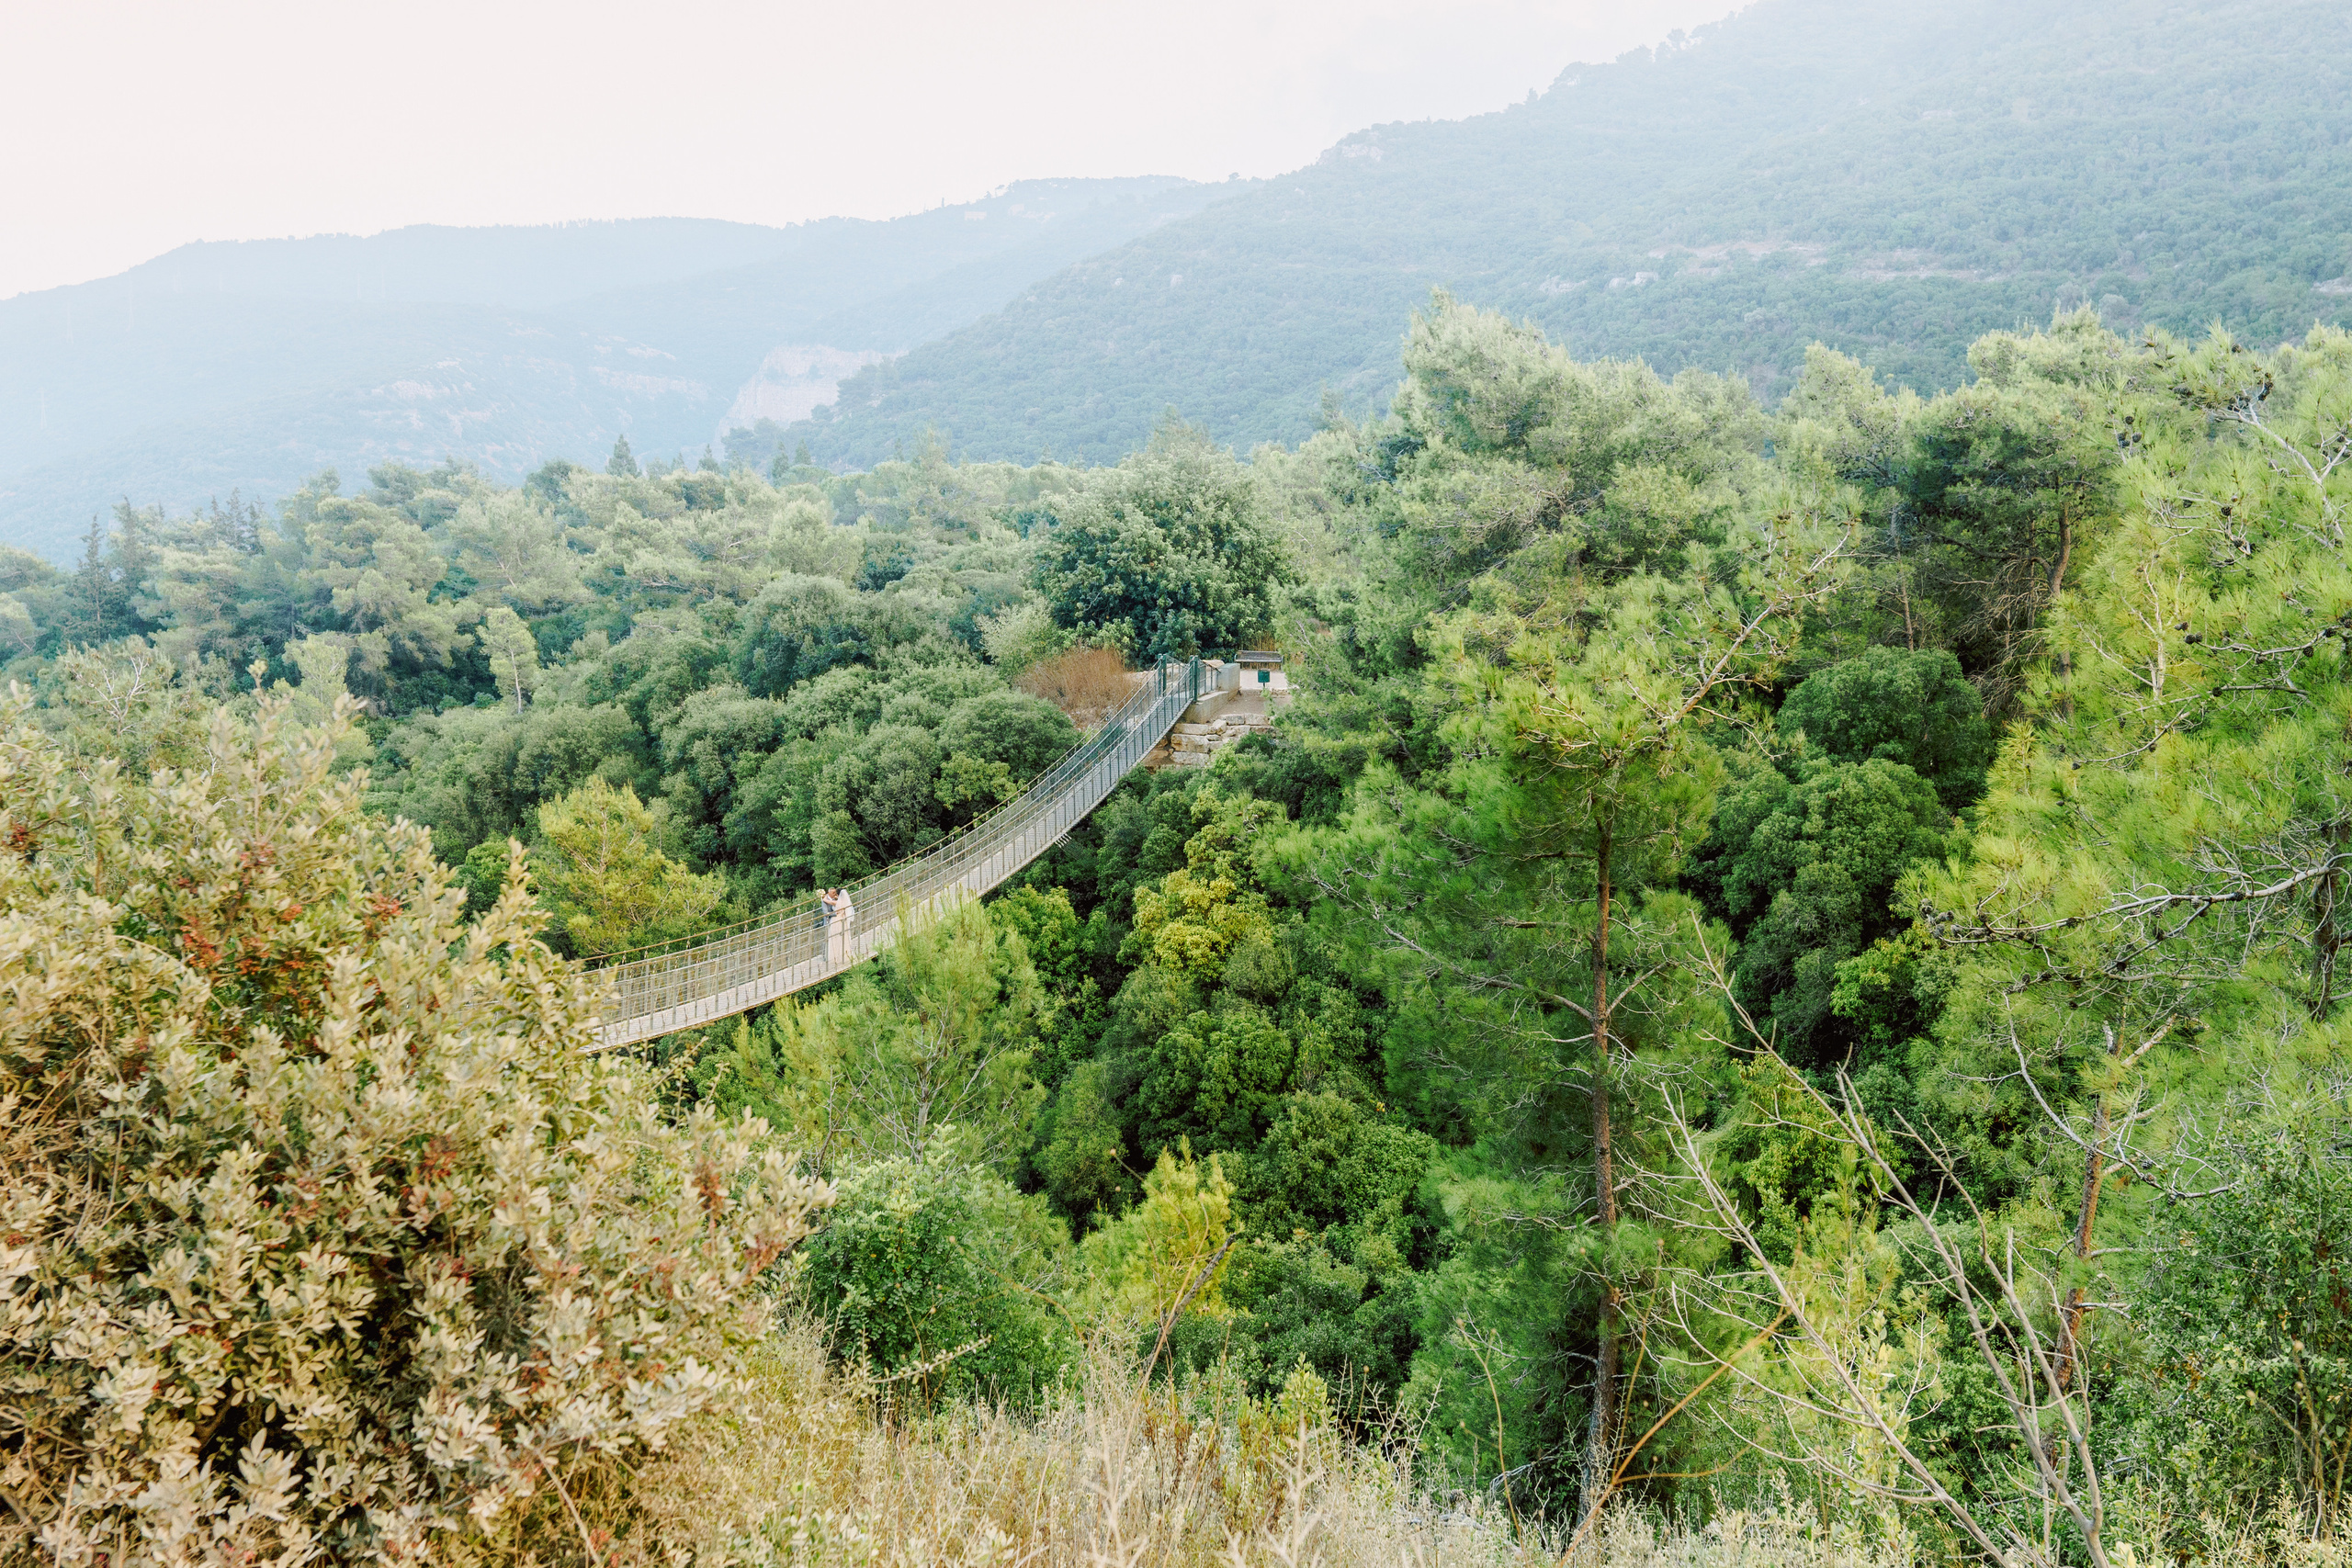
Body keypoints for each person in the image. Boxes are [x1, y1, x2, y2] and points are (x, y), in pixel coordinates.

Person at [830, 886, 856, 966]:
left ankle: (835, 956)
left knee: (835, 938)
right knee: (844, 938)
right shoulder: (844, 902)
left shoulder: (838, 902)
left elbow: (831, 904)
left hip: (836, 921)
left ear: (838, 894)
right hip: (843, 920)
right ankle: (845, 955)